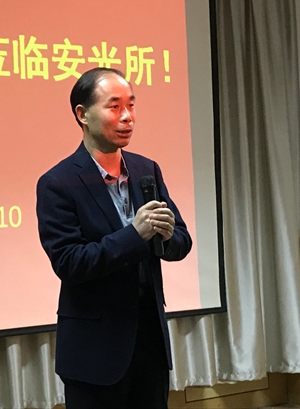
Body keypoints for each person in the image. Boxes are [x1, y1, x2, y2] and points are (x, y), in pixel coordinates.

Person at [36, 67, 192, 408]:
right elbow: (70, 263)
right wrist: (134, 234)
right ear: (83, 114)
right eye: (114, 106)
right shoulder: (58, 183)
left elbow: (181, 241)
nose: (127, 117)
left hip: (149, 342)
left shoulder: (146, 169)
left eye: (131, 105)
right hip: (94, 350)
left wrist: (167, 237)